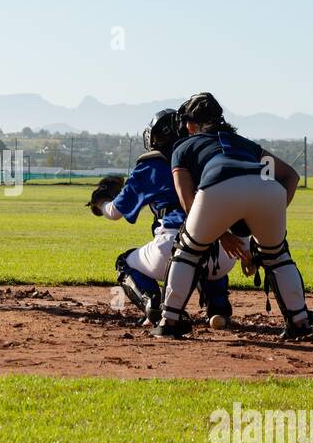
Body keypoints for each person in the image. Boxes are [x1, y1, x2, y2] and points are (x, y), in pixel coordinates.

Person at [154, 92, 313, 341]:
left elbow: (188, 200)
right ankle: (300, 322)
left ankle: (169, 321)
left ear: (192, 124)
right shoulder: (245, 143)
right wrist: (268, 222)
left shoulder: (183, 147)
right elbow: (290, 176)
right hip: (267, 186)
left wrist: (222, 235)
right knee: (277, 256)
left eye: (186, 122)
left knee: (187, 250)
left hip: (219, 184)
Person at [88, 109, 240, 328]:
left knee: (125, 262)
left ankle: (154, 306)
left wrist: (100, 201)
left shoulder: (152, 164)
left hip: (173, 247)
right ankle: (218, 309)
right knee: (207, 243)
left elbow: (113, 212)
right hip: (224, 251)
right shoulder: (206, 155)